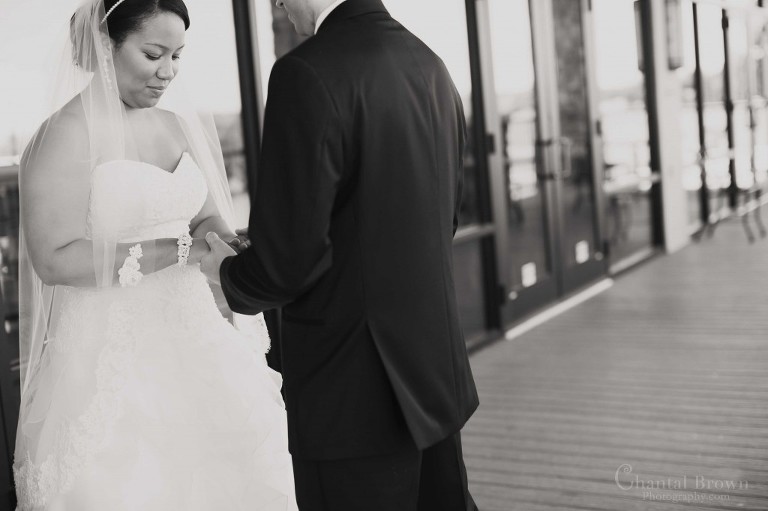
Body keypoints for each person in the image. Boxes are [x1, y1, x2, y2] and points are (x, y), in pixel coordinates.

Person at [13, 1, 297, 509]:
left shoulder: (174, 125)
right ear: (106, 45)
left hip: (196, 335)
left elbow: (207, 216)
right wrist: (177, 249)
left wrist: (224, 245)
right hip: (112, 356)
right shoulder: (63, 135)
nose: (167, 72)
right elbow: (53, 258)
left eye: (177, 56)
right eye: (152, 54)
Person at [201, 0, 480, 509]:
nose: (279, 5)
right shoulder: (429, 63)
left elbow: (288, 261)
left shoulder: (304, 71)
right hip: (433, 374)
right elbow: (442, 218)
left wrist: (225, 273)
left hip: (352, 391)